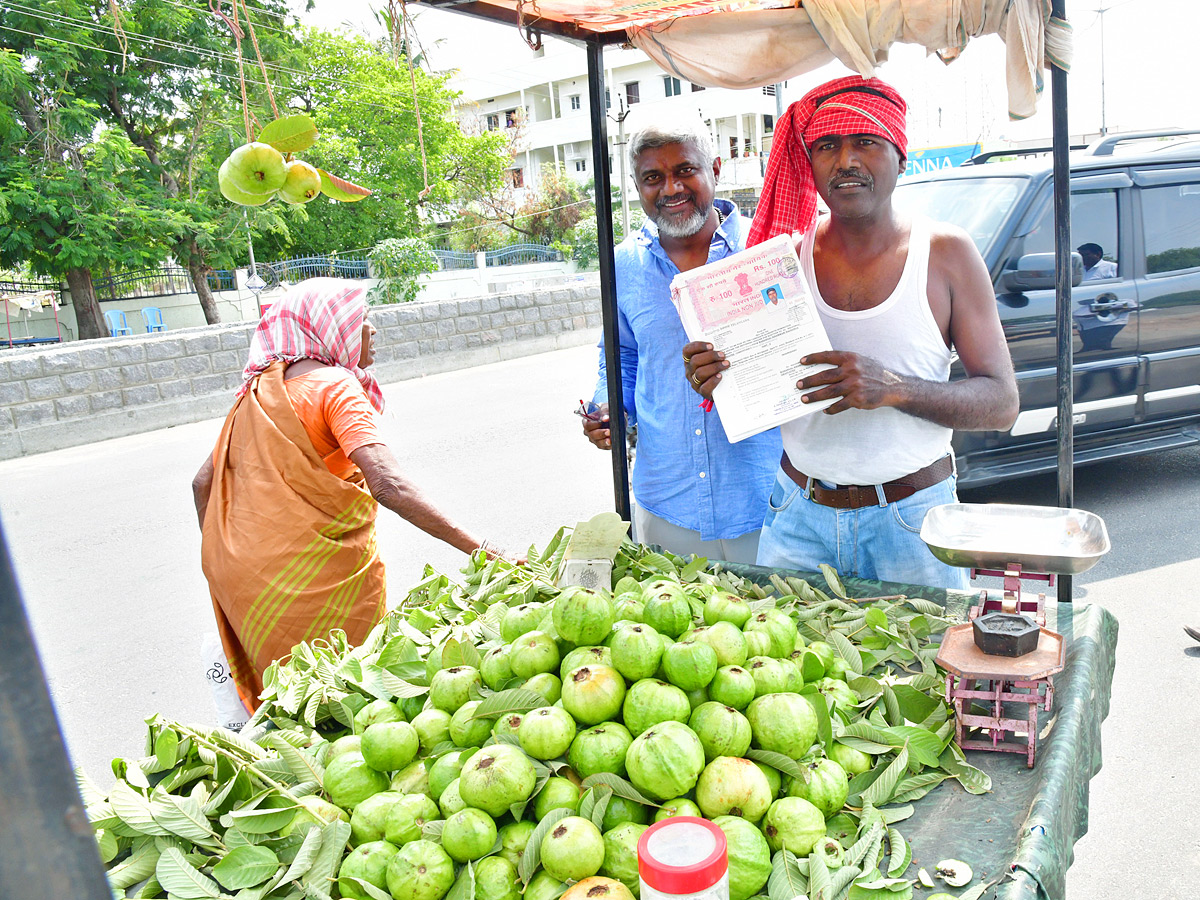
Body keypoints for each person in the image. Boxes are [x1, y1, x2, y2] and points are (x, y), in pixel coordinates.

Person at [685, 76, 1019, 589]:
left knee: (921, 667)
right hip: (797, 515)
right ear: (810, 162)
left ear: (900, 156)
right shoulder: (781, 261)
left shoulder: (946, 255)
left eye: (866, 142)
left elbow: (1001, 403)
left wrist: (893, 389)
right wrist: (717, 375)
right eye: (826, 146)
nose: (845, 161)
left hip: (912, 520)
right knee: (782, 664)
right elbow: (754, 385)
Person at [193, 278, 514, 708]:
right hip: (312, 577)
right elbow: (389, 484)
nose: (372, 329)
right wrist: (483, 550)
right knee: (344, 693)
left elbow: (202, 483)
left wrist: (228, 557)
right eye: (361, 318)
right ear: (330, 328)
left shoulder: (256, 393)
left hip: (246, 581)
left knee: (288, 698)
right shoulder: (334, 386)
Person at [581, 119, 781, 563]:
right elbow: (621, 355)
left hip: (767, 500)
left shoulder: (765, 247)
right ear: (637, 186)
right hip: (667, 503)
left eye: (685, 171)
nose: (671, 188)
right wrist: (610, 406)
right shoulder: (624, 266)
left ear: (715, 168)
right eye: (653, 177)